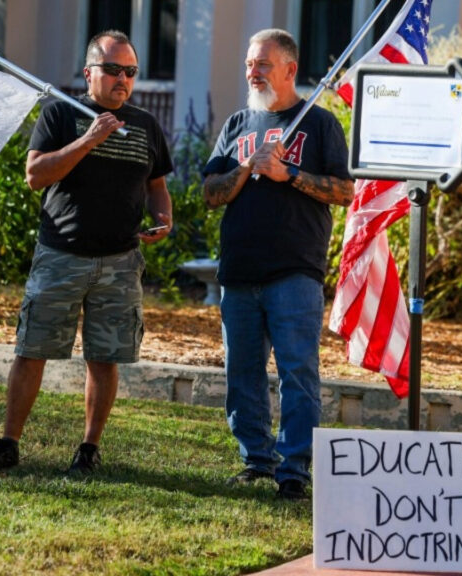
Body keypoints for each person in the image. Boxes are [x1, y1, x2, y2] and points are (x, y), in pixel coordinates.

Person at [0, 30, 173, 475]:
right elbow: (35, 175)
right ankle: (8, 443)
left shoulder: (146, 125)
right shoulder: (62, 112)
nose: (123, 79)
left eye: (130, 72)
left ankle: (88, 449)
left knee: (105, 357)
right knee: (32, 349)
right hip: (62, 254)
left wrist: (163, 219)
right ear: (89, 73)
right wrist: (88, 141)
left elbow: (157, 185)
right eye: (113, 70)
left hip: (120, 262)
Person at [202, 29, 354, 499]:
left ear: (289, 69)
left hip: (295, 270)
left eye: (263, 64)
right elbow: (211, 194)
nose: (253, 71)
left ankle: (294, 470)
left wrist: (288, 174)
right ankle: (256, 459)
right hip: (239, 271)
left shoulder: (320, 124)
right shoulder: (236, 125)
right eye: (250, 63)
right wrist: (248, 166)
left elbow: (345, 193)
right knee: (242, 373)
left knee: (297, 372)